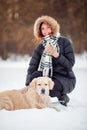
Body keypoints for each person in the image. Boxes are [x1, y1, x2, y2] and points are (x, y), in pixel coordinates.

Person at [25, 15, 76, 106]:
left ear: (53, 28)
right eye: (42, 28)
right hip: (48, 76)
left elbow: (70, 64)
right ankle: (37, 98)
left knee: (48, 87)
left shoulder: (64, 42)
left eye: (48, 27)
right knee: (35, 77)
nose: (45, 31)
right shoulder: (40, 47)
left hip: (65, 78)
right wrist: (28, 86)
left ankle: (62, 96)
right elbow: (32, 67)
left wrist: (57, 55)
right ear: (39, 31)